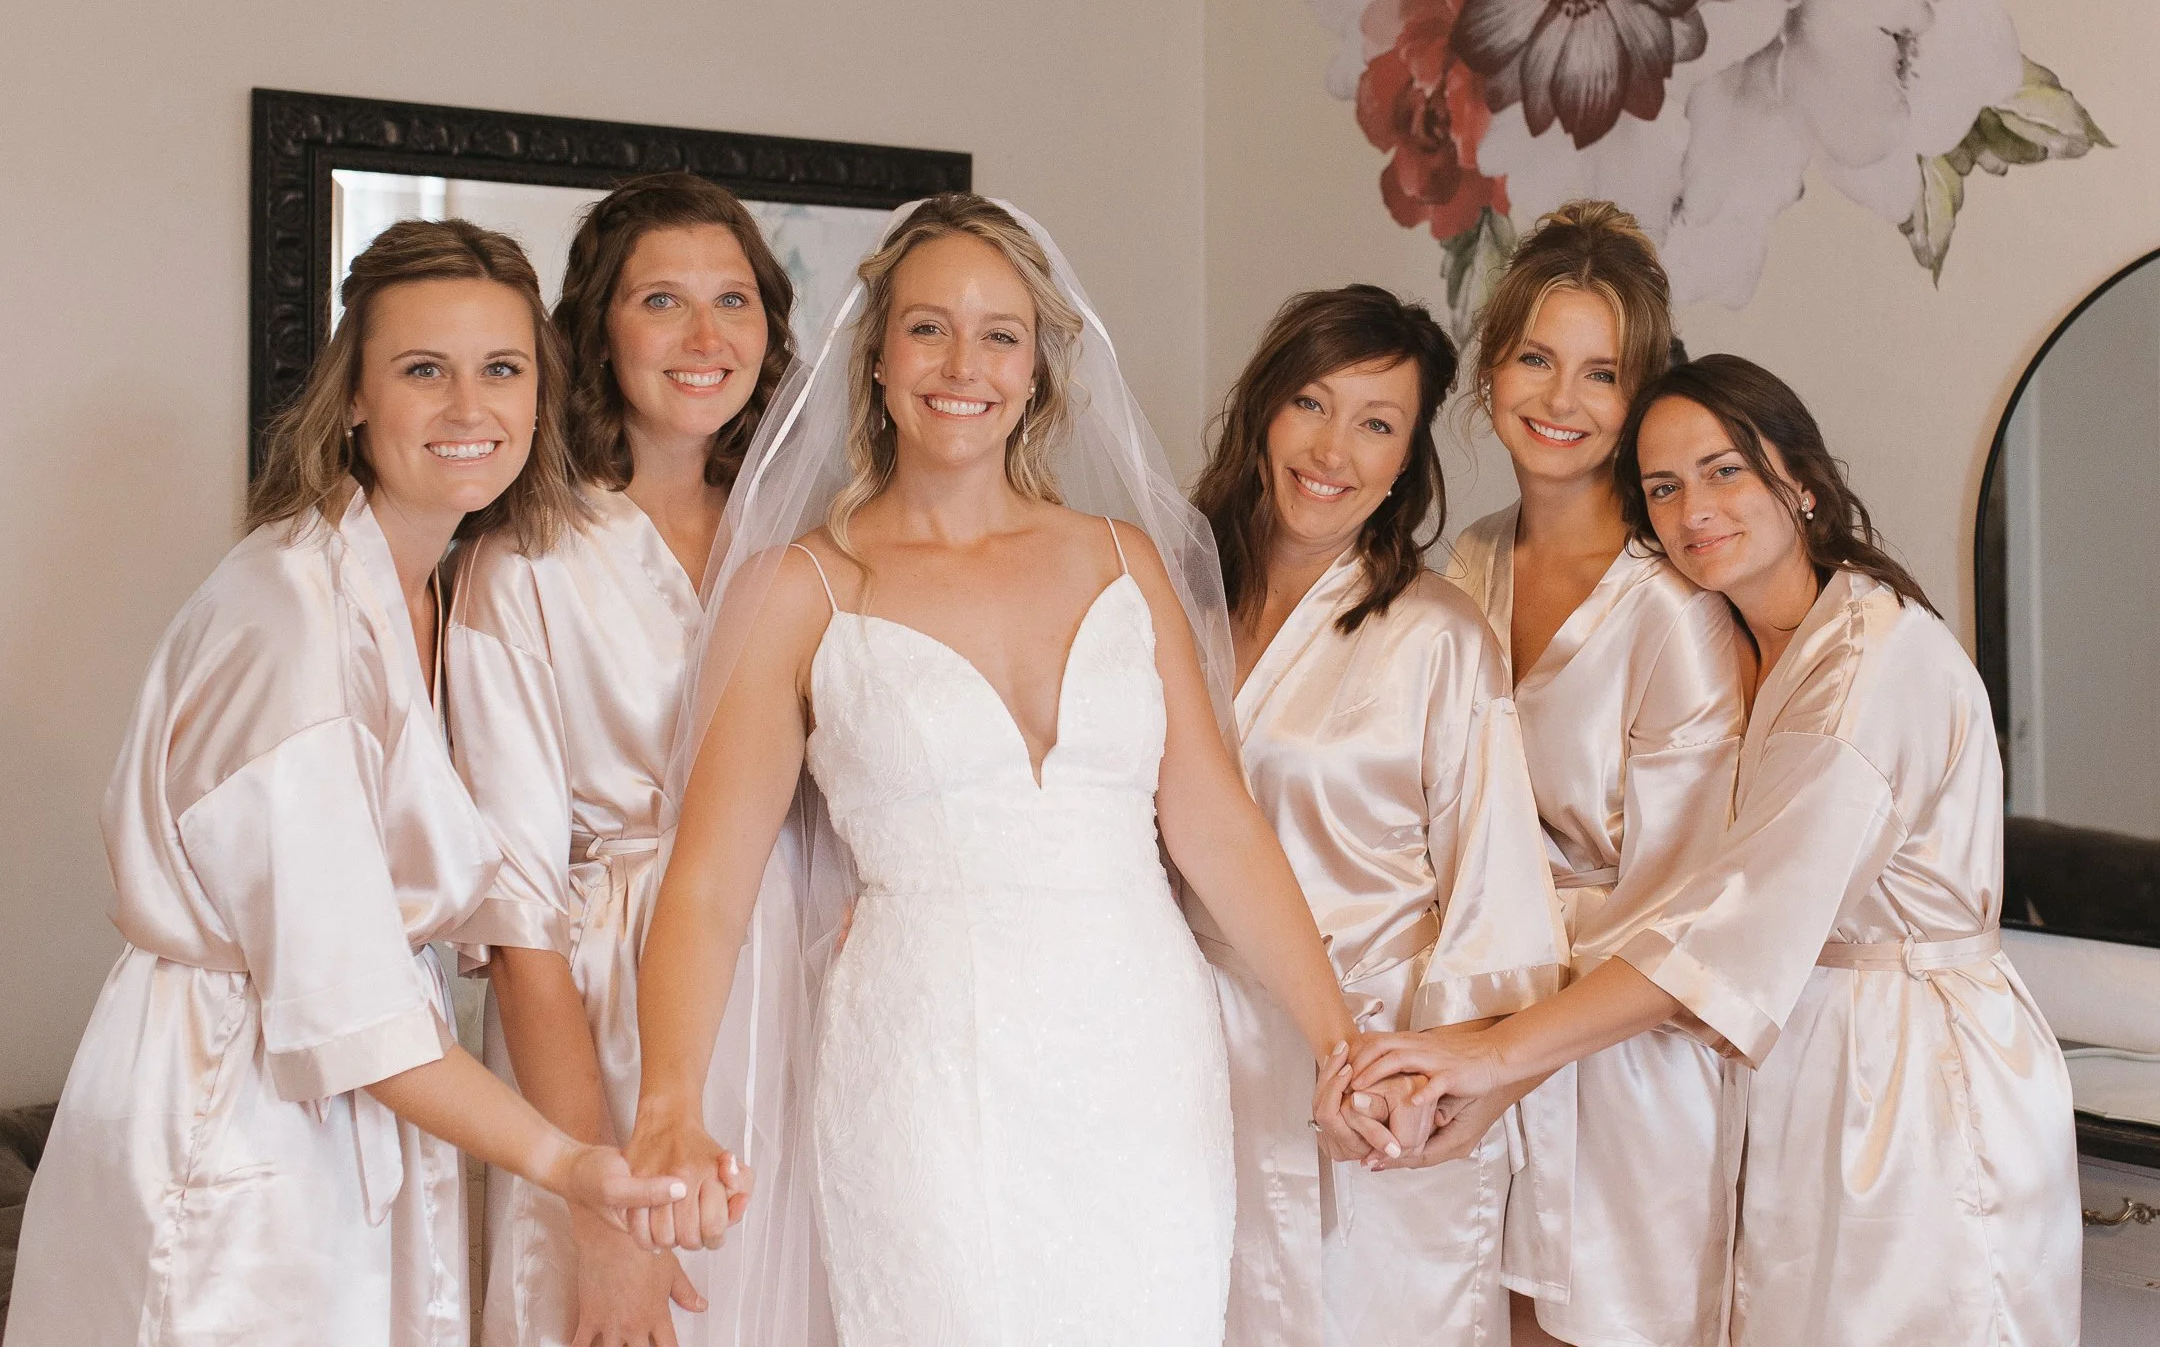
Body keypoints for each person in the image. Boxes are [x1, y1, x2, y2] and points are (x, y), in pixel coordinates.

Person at [623, 194, 1398, 1345]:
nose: (963, 366)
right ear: (876, 356)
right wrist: (669, 1102)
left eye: (1000, 334)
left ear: (1036, 368)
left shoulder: (1124, 562)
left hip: (1146, 1067)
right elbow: (705, 887)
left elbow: (1217, 828)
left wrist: (1340, 1040)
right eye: (928, 328)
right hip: (925, 1068)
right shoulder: (798, 589)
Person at [3, 220, 683, 1347]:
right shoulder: (289, 620)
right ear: (354, 397)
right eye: (423, 370)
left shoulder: (428, 587)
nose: (469, 407)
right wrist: (571, 1168)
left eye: (501, 368)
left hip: (352, 1103)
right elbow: (348, 1002)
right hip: (241, 1109)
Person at [1346, 354, 2083, 1347]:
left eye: (1724, 470)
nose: (1693, 509)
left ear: (1803, 481)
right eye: (1663, 487)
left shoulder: (1872, 662)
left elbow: (1731, 928)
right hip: (1798, 1057)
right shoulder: (1757, 643)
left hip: (1911, 1073)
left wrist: (1488, 1060)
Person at [445, 174, 811, 1347]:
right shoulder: (524, 565)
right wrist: (602, 1214)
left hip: (801, 994)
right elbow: (517, 927)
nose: (707, 337)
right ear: (598, 330)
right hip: (604, 1014)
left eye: (733, 300)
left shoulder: (803, 542)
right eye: (663, 301)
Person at [1189, 285, 1564, 1347]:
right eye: (1311, 403)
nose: (1333, 450)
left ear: (1407, 460)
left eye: (1377, 424)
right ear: (1263, 409)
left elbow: (1497, 898)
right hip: (1194, 1058)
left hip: (1384, 1076)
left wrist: (1433, 1081)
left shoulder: (1436, 638)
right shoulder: (1177, 607)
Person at [1445, 203, 1747, 1347]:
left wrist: (1517, 1041)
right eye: (1536, 358)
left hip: (1626, 1058)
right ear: (1491, 366)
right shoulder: (1470, 559)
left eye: (1601, 373)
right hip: (1475, 1013)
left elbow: (1689, 902)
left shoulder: (1675, 605)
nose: (1560, 399)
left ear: (1640, 398)